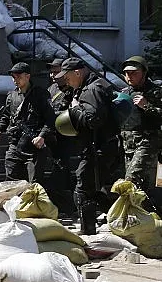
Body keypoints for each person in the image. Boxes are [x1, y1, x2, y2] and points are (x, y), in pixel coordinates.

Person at [55, 57, 123, 235]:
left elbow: (94, 119)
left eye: (67, 76)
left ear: (77, 72)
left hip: (99, 147)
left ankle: (88, 231)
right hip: (96, 146)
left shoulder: (92, 89)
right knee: (94, 188)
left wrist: (75, 109)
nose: (65, 80)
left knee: (83, 189)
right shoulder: (85, 88)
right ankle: (120, 220)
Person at [0, 62, 56, 185]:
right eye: (14, 77)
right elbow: (6, 116)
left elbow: (50, 118)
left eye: (19, 77)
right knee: (11, 181)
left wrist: (42, 136)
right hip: (15, 144)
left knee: (34, 184)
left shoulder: (40, 95)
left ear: (27, 76)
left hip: (33, 145)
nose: (16, 80)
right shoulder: (12, 95)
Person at [119, 56, 162, 206]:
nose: (129, 77)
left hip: (148, 143)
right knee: (143, 186)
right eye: (126, 73)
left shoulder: (156, 92)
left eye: (134, 73)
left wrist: (147, 106)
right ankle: (143, 216)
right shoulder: (124, 92)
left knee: (131, 179)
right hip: (128, 144)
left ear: (144, 73)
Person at [46, 58, 77, 215]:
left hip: (67, 137)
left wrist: (52, 116)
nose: (53, 75)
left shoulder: (72, 90)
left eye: (56, 72)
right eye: (51, 72)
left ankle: (69, 207)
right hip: (52, 137)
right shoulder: (52, 89)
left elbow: (72, 112)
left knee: (61, 174)